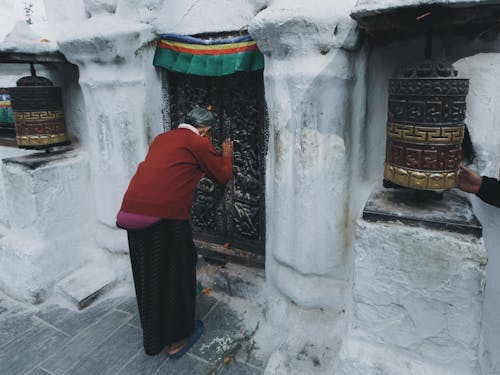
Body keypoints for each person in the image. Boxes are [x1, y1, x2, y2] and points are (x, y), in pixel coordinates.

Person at [116, 106, 233, 358]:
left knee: (149, 275)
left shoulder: (162, 138)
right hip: (164, 217)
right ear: (205, 130)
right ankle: (178, 340)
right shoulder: (197, 141)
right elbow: (222, 176)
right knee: (177, 274)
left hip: (130, 212)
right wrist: (226, 155)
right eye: (209, 133)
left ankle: (154, 339)